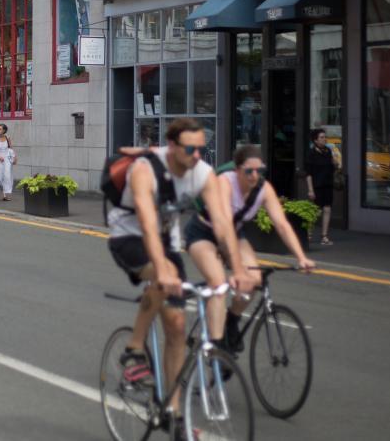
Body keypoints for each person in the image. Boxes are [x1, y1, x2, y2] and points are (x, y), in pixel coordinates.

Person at [108, 118, 250, 415]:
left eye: (201, 148)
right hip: (129, 236)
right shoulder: (145, 170)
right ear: (172, 146)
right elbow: (147, 221)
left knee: (176, 326)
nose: (197, 155)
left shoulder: (202, 173)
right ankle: (134, 350)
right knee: (165, 277)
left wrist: (237, 269)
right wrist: (161, 268)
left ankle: (173, 412)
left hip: (167, 241)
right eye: (190, 148)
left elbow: (223, 223)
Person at [187, 144, 315, 352]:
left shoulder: (264, 189)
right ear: (237, 169)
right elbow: (224, 226)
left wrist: (301, 257)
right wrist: (237, 270)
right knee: (218, 282)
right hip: (205, 232)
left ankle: (231, 320)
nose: (254, 176)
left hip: (234, 233)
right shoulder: (224, 183)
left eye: (260, 171)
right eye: (249, 171)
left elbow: (281, 224)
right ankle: (217, 348)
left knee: (254, 280)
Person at [304, 128, 337, 246]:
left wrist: (335, 163)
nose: (324, 139)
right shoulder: (311, 154)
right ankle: (308, 234)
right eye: (321, 137)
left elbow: (333, 168)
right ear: (315, 140)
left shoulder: (328, 151)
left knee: (327, 209)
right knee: (316, 211)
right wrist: (310, 190)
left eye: (324, 137)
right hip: (317, 185)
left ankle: (324, 236)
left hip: (328, 184)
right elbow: (308, 174)